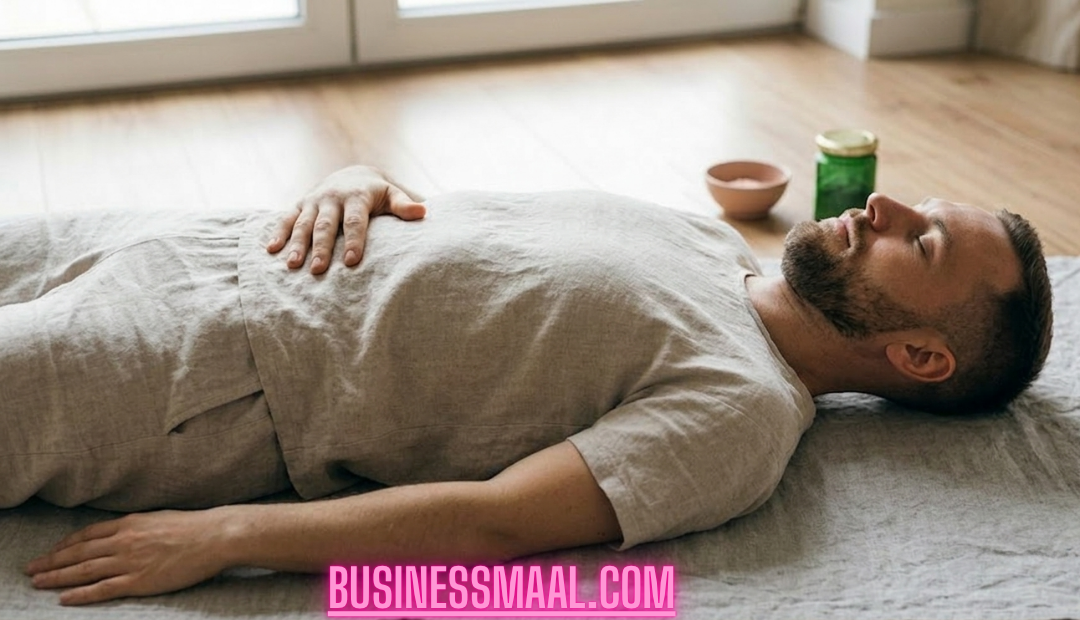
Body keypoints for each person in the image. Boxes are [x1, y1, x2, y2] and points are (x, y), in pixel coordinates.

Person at [8, 165, 1052, 606]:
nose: (881, 200)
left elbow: (501, 526)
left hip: (200, 371)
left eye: (917, 240)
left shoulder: (743, 412)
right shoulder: (703, 233)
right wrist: (356, 179)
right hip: (200, 234)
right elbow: (475, 234)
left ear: (920, 355)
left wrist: (228, 536)